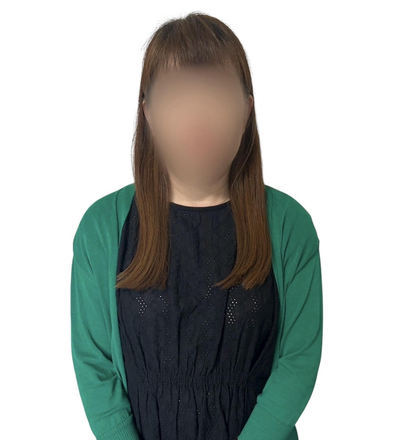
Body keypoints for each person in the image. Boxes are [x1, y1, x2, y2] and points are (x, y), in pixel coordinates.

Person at [70, 12, 323, 440]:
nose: (197, 117)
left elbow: (297, 362)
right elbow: (95, 366)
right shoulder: (102, 228)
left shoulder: (288, 225)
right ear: (149, 113)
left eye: (215, 93)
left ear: (246, 109)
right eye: (178, 95)